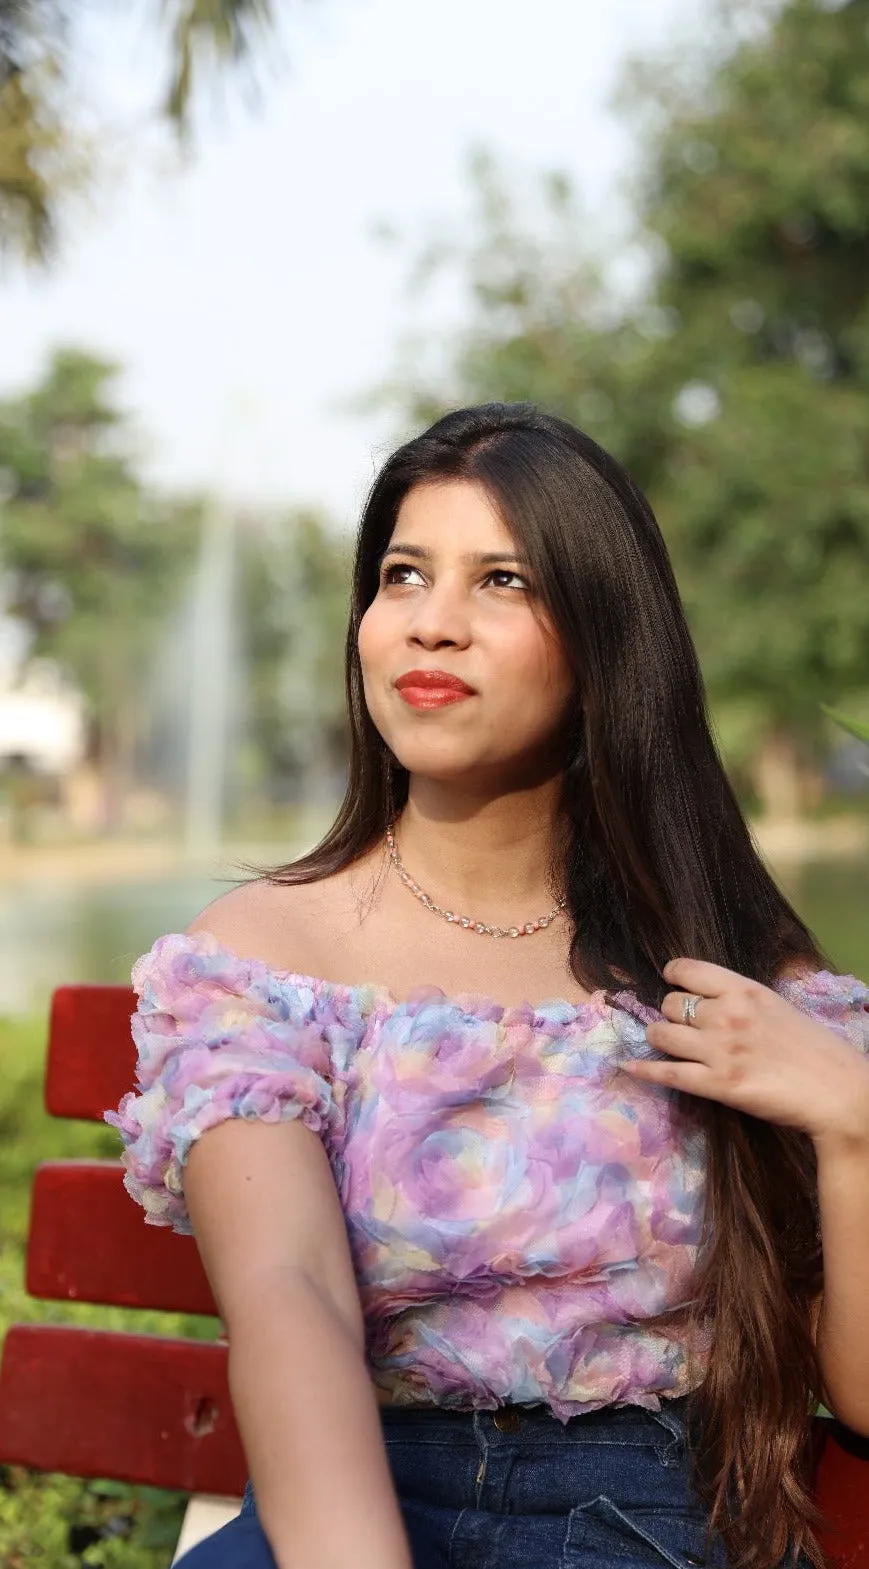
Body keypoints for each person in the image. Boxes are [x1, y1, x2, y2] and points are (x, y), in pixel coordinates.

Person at [106, 403, 869, 1569]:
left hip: (638, 1524)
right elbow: (289, 1292)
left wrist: (854, 1125)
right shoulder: (265, 958)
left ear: (604, 637)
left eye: (501, 581)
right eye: (403, 575)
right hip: (346, 1509)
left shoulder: (727, 963)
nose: (432, 626)